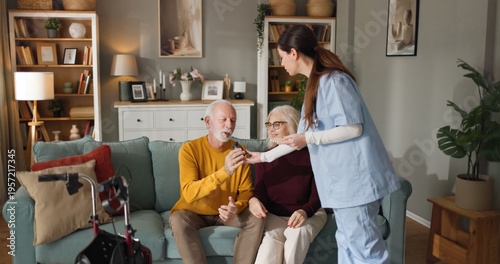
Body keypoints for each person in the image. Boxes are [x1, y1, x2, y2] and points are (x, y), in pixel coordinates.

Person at [246, 25, 401, 264]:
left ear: (294, 53)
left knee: (366, 250)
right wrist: (262, 157)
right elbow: (298, 139)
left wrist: (308, 138)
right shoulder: (314, 85)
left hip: (355, 182)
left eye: (282, 56)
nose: (282, 62)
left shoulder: (334, 81)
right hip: (342, 185)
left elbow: (352, 128)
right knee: (346, 244)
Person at [169, 100, 265, 264]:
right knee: (178, 220)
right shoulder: (189, 150)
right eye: (223, 119)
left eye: (233, 120)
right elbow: (189, 193)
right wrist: (225, 172)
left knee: (257, 218)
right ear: (208, 122)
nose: (229, 125)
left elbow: (246, 191)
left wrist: (236, 208)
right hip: (193, 213)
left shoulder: (238, 151)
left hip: (227, 214)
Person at [249, 105, 326, 264]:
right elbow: (260, 192)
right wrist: (254, 200)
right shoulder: (265, 157)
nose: (271, 129)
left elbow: (318, 196)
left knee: (298, 233)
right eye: (269, 125)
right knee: (270, 243)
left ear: (292, 124)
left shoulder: (314, 155)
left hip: (310, 212)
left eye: (277, 124)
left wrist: (304, 211)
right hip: (275, 216)